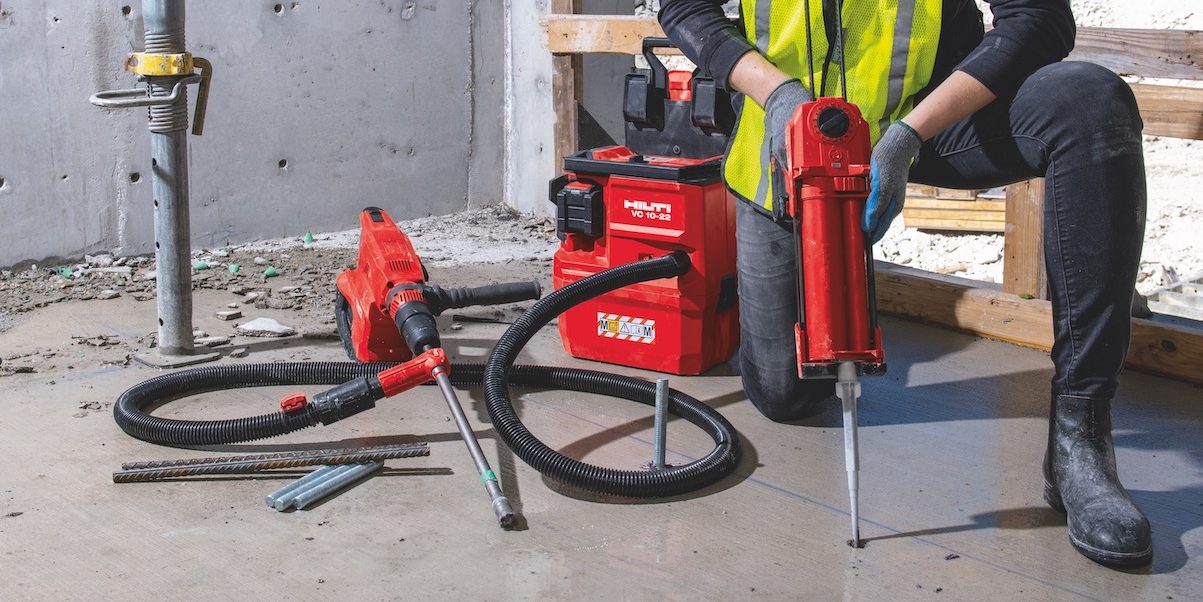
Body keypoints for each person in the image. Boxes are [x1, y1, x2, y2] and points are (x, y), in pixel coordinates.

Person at [658, 0, 1151, 567]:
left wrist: (908, 135)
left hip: (922, 120)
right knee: (785, 396)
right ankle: (836, 284)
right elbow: (683, 7)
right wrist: (776, 94)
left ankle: (1080, 436)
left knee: (1088, 102)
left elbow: (1040, 18)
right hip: (786, 145)